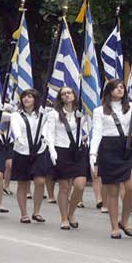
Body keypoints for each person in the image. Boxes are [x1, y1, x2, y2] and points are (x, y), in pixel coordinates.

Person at [90, 79, 132, 238]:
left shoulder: (131, 108)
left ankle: (125, 220)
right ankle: (114, 227)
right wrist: (93, 154)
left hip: (128, 147)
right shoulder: (99, 111)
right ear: (109, 91)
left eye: (122, 87)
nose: (120, 90)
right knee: (113, 190)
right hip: (109, 148)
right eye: (116, 87)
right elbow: (97, 133)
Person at [45, 87, 89, 230]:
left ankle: (71, 213)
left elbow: (90, 128)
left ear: (74, 95)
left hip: (77, 151)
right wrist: (52, 151)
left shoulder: (80, 113)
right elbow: (50, 134)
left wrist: (87, 138)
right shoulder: (54, 114)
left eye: (69, 93)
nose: (66, 95)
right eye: (63, 94)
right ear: (60, 97)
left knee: (80, 185)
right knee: (64, 187)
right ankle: (64, 218)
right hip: (61, 150)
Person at [10, 88, 51, 224]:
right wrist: (18, 138)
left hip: (39, 150)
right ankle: (24, 213)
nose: (26, 99)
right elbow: (15, 128)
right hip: (22, 150)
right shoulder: (16, 115)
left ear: (35, 99)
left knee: (40, 181)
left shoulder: (43, 114)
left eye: (30, 97)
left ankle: (37, 211)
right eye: (24, 97)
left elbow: (50, 123)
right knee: (23, 183)